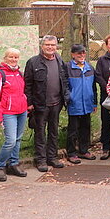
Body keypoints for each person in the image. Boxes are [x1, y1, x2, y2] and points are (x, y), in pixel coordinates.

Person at [24, 35, 69, 172]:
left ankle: (52, 157)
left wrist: (65, 98)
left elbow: (64, 80)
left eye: (53, 45)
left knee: (53, 132)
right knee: (40, 133)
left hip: (56, 103)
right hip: (40, 104)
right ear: (42, 46)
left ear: (56, 46)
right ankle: (41, 160)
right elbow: (27, 85)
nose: (50, 47)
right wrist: (29, 103)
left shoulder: (59, 60)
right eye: (47, 45)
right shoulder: (33, 62)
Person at [0, 48, 28, 181]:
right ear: (5, 58)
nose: (13, 60)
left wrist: (26, 107)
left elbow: (22, 92)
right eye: (11, 57)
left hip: (22, 111)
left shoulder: (19, 73)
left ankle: (13, 164)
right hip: (8, 112)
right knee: (10, 141)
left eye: (16, 57)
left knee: (18, 139)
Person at [65, 43, 97, 164]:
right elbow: (64, 85)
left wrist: (94, 103)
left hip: (87, 104)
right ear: (73, 54)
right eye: (79, 53)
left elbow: (94, 87)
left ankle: (83, 150)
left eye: (83, 53)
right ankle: (71, 153)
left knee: (85, 128)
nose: (82, 55)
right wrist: (69, 98)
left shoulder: (90, 68)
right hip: (74, 103)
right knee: (73, 130)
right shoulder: (67, 68)